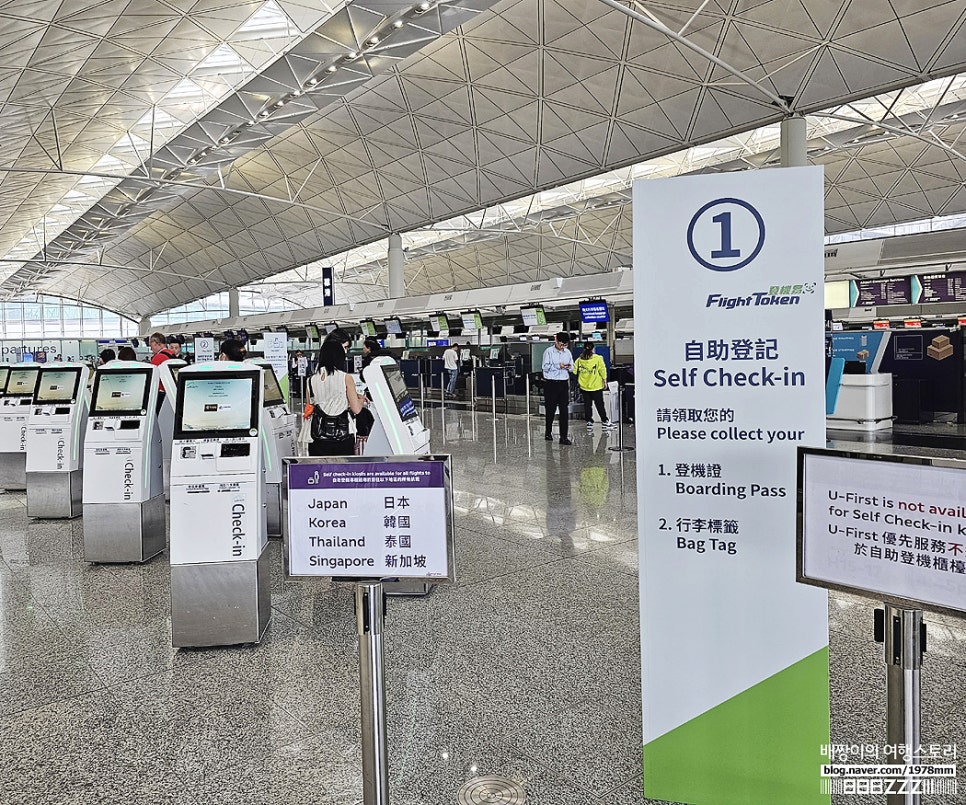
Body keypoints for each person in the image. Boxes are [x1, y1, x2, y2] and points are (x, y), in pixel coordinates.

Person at [308, 341, 365, 456]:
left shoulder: (311, 380)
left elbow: (310, 406)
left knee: (319, 470)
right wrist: (362, 399)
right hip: (342, 435)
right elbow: (356, 409)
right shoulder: (345, 377)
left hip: (318, 435)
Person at [542, 331, 574, 445]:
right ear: (556, 341)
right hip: (551, 384)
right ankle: (548, 432)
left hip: (563, 384)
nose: (562, 347)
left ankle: (564, 437)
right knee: (550, 410)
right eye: (561, 344)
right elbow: (544, 367)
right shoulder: (549, 352)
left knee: (564, 411)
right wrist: (557, 366)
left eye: (565, 345)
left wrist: (569, 367)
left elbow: (572, 367)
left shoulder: (568, 353)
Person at [574, 342, 615, 431]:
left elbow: (574, 371)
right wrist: (605, 381)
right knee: (599, 404)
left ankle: (589, 421)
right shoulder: (598, 358)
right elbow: (602, 370)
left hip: (584, 386)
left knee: (587, 405)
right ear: (593, 349)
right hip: (596, 386)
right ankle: (604, 420)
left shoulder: (579, 359)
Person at [149, 332, 175, 414]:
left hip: (161, 393)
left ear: (158, 344)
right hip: (171, 392)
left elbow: (151, 376)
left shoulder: (158, 357)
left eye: (152, 346)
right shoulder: (171, 354)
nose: (151, 349)